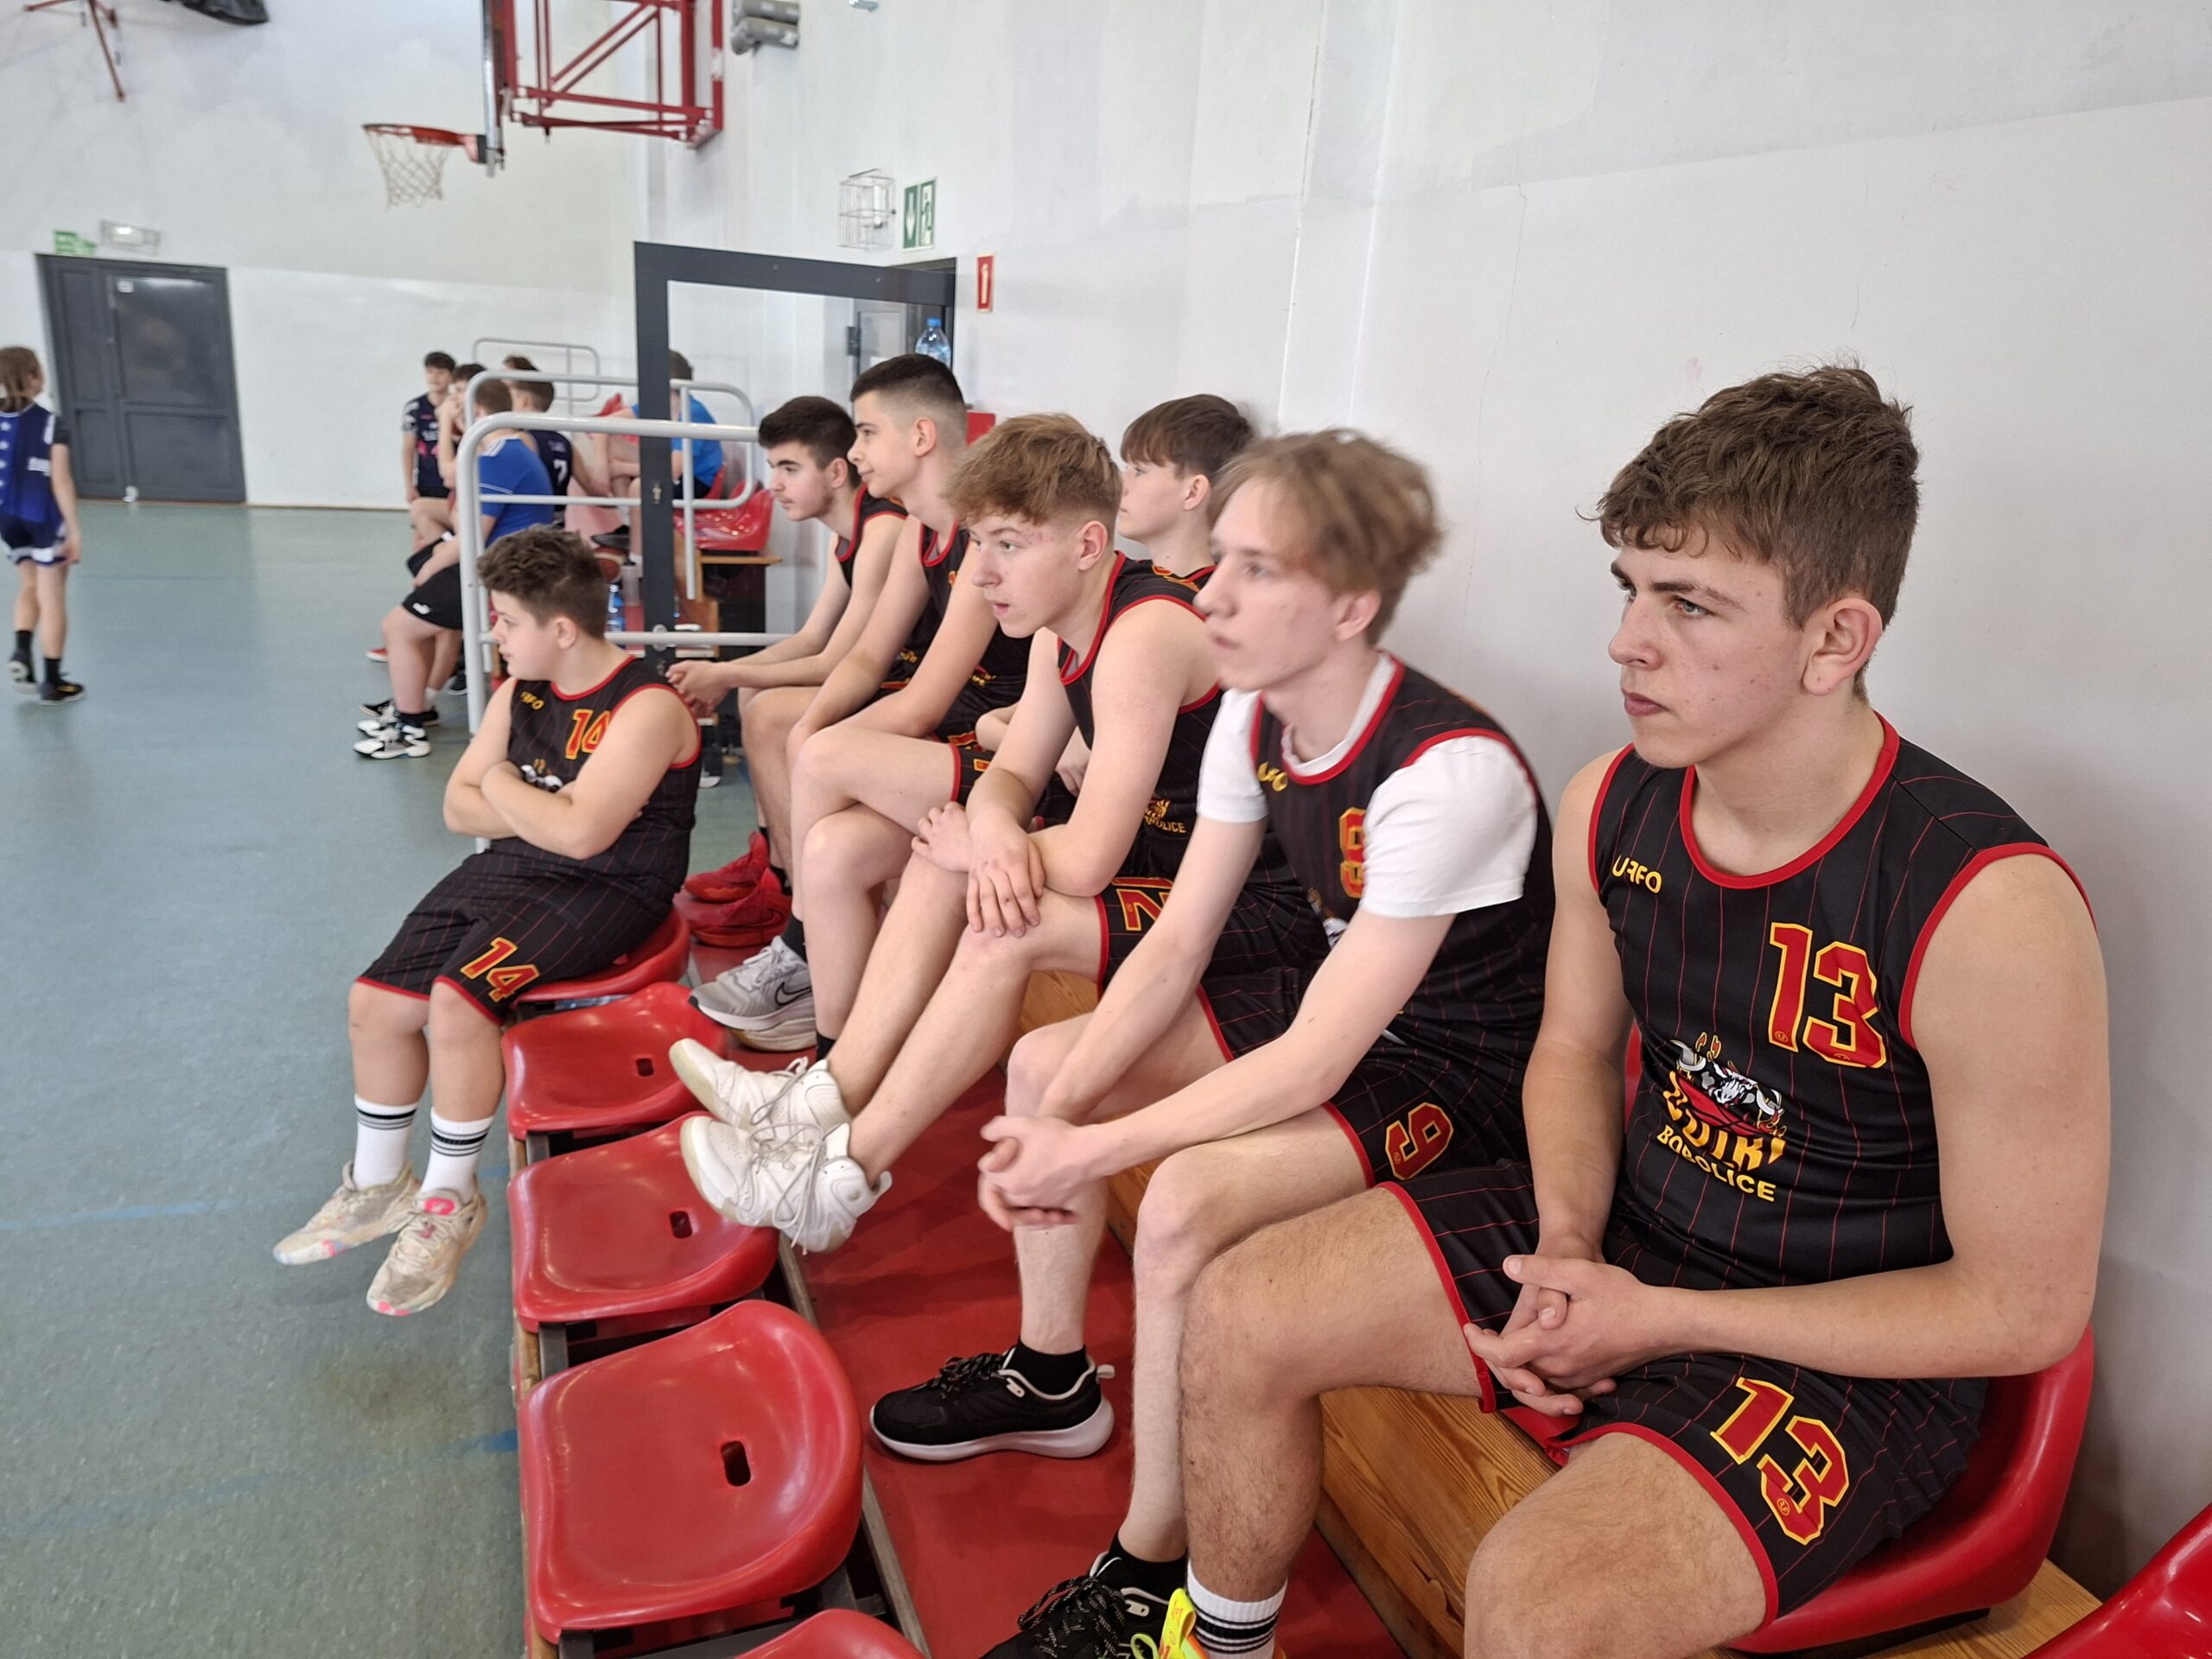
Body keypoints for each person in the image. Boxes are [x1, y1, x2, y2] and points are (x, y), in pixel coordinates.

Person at [1149, 368, 2109, 1659]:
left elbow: (2024, 1309)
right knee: (1241, 1307)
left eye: (1689, 604)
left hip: (1846, 1346)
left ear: (1835, 640)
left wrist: (1665, 1320)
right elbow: (1571, 1051)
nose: (1626, 642)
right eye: (1630, 589)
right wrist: (1567, 1246)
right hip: (1632, 1240)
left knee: (1541, 1602)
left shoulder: (1989, 904)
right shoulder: (1612, 799)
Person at [860, 429, 1548, 1659]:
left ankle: (1146, 1570)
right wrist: (1057, 1114)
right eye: (1218, 559)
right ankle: (1052, 1382)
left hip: (1458, 1070)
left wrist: (1090, 1147)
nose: (1212, 594)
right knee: (1041, 1068)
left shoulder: (1450, 773)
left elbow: (1319, 1061)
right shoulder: (1253, 718)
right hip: (1338, 1007)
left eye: (1256, 571)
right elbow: (1174, 945)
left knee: (1178, 1202)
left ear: (1351, 605)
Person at [671, 412, 1313, 1244]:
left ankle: (838, 1178)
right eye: (979, 543)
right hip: (1164, 867)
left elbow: (1087, 859)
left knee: (998, 921)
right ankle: (821, 1102)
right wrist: (993, 825)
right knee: (948, 860)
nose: (981, 573)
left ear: (1087, 545)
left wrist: (986, 841)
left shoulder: (1146, 632)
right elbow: (1011, 774)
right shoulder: (1061, 629)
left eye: (1009, 544)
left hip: (1248, 909)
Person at [277, 527, 701, 1315]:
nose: (494, 634)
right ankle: (377, 1183)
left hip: (611, 887)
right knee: (374, 1005)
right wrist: (537, 804)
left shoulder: (645, 706)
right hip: (517, 867)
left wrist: (503, 782)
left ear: (561, 629)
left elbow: (585, 836)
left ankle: (449, 1199)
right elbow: (455, 807)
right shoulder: (520, 691)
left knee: (457, 1001)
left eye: (505, 620)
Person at [710, 356, 1036, 1058]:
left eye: (865, 433)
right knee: (830, 847)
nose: (854, 453)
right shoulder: (922, 530)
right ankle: (833, 1057)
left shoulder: (980, 536)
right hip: (954, 743)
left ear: (921, 436)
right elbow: (861, 656)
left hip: (1008, 760)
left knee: (820, 751)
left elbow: (923, 703)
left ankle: (798, 951)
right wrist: (813, 725)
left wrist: (824, 745)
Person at [666, 396, 909, 912]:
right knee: (755, 689)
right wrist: (726, 672)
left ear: (836, 471)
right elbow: (812, 637)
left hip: (909, 687)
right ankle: (773, 861)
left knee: (768, 712)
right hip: (877, 675)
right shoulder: (844, 536)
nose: (774, 483)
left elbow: (835, 661)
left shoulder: (884, 529)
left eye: (789, 468)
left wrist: (723, 675)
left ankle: (801, 899)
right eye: (773, 467)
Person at [358, 378, 553, 759]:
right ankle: (418, 708)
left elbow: (472, 537)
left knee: (398, 627)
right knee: (422, 595)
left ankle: (409, 730)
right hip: (505, 559)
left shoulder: (500, 458)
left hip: (503, 569)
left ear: (476, 411)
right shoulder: (508, 449)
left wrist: (433, 565)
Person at [2, 346, 85, 704]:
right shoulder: (51, 423)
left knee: (29, 584)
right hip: (42, 517)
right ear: (33, 378)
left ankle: (21, 650)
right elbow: (61, 481)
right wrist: (74, 530)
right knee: (52, 598)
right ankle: (53, 682)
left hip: (7, 517)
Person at [404, 350, 456, 518]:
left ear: (451, 377)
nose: (435, 377)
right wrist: (409, 485)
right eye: (430, 371)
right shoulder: (414, 408)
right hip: (426, 482)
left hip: (454, 481)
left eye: (441, 373)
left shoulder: (458, 405)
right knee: (421, 524)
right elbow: (408, 448)